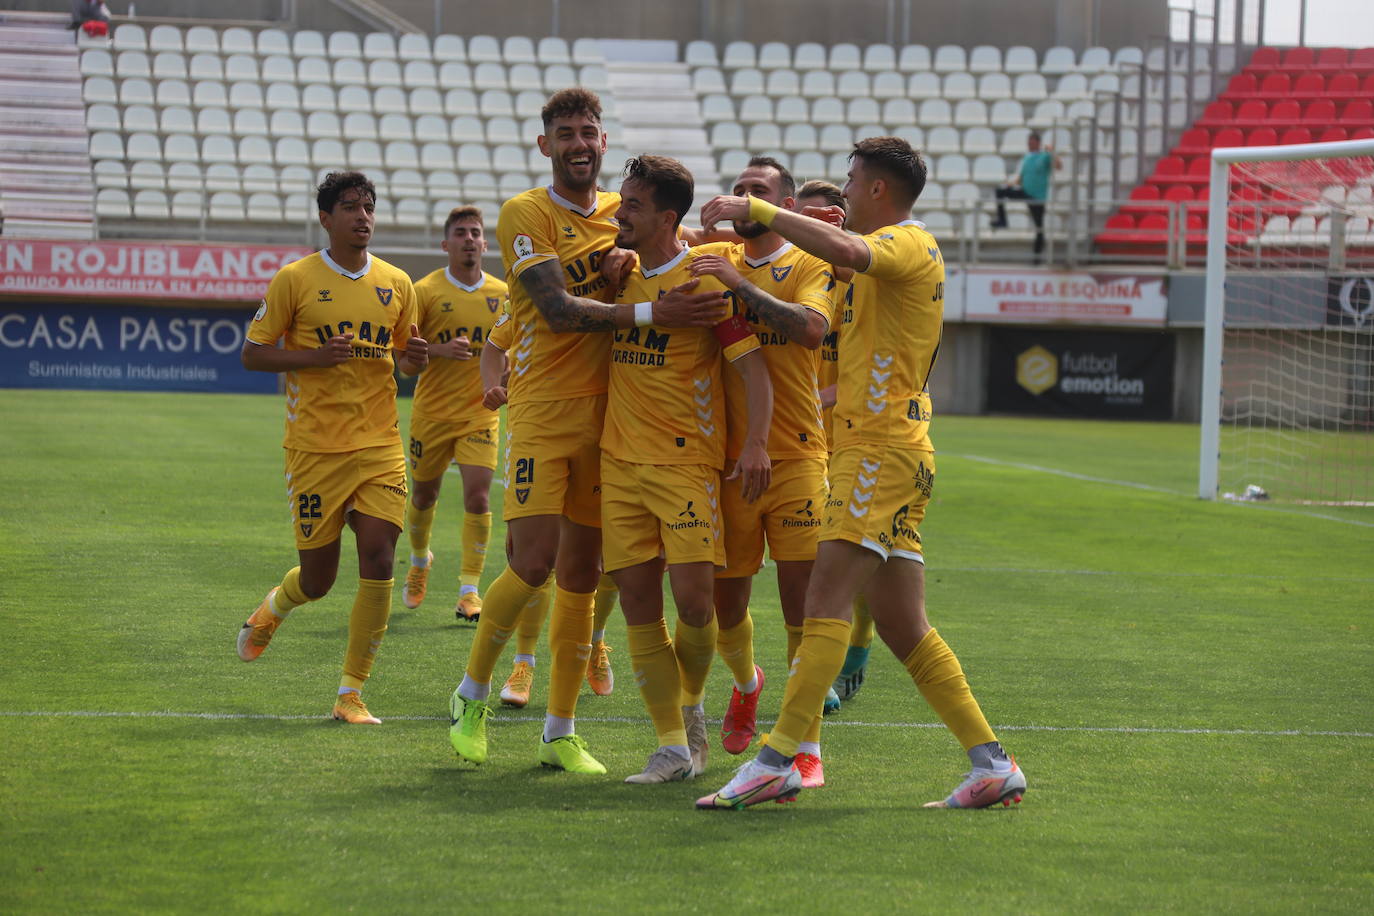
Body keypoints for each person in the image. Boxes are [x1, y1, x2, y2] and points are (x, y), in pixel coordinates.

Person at [695, 138, 1027, 810]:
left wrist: (756, 207)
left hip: (880, 450)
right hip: (882, 448)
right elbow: (837, 294)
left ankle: (778, 759)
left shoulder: (909, 242)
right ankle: (991, 763)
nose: (841, 196)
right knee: (904, 626)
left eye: (850, 183)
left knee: (824, 602)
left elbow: (847, 252)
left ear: (879, 189)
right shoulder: (875, 269)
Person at [445, 88, 724, 775]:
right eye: (564, 132)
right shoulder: (525, 214)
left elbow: (670, 252)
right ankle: (471, 694)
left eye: (588, 131)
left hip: (610, 420)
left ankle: (559, 731)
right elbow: (556, 309)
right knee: (532, 562)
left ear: (603, 143)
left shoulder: (622, 216)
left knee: (580, 574)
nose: (577, 142)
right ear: (546, 146)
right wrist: (655, 314)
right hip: (542, 412)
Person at [602, 154, 773, 784]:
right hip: (618, 463)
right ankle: (673, 746)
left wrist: (755, 443)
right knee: (640, 609)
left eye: (633, 207)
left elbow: (752, 368)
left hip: (686, 465)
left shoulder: (709, 279)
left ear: (667, 218)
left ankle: (694, 706)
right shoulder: (614, 272)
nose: (619, 214)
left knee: (697, 608)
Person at [236, 171, 428, 725]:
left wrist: (414, 358)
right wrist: (315, 358)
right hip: (314, 451)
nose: (362, 216)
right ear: (326, 217)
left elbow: (406, 359)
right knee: (318, 580)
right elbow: (252, 353)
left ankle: (350, 693)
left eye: (369, 207)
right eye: (350, 207)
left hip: (379, 447)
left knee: (380, 555)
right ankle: (276, 607)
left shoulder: (397, 282)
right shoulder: (294, 280)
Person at [686, 158, 833, 788]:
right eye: (739, 189)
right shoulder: (713, 254)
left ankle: (804, 745)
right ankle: (747, 685)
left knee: (806, 611)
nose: (744, 198)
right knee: (728, 604)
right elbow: (652, 241)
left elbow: (810, 329)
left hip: (798, 455)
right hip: (727, 460)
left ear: (784, 204)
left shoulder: (806, 264)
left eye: (759, 192)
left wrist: (736, 285)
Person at [401, 206, 506, 625]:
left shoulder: (503, 294)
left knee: (478, 495)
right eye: (460, 233)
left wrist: (508, 379)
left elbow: (511, 352)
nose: (468, 239)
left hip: (480, 414)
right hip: (432, 414)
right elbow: (404, 364)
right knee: (424, 496)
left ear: (484, 243)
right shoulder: (423, 291)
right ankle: (419, 559)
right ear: (446, 244)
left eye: (475, 232)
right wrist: (437, 350)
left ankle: (469, 591)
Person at [795, 179, 874, 716]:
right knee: (808, 561)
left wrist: (821, 392)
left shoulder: (864, 283)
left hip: (850, 441)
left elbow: (884, 371)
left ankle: (853, 650)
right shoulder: (790, 280)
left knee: (850, 561)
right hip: (794, 439)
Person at [991, 131, 1062, 261]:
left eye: (1032, 142)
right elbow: (1023, 177)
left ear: (1037, 143)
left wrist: (1052, 152)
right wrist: (1012, 184)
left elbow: (1059, 166)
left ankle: (1037, 257)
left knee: (1039, 227)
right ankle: (1002, 221)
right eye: (1028, 142)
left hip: (1037, 197)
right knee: (1000, 192)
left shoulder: (1044, 156)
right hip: (1025, 191)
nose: (1029, 144)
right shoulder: (1027, 157)